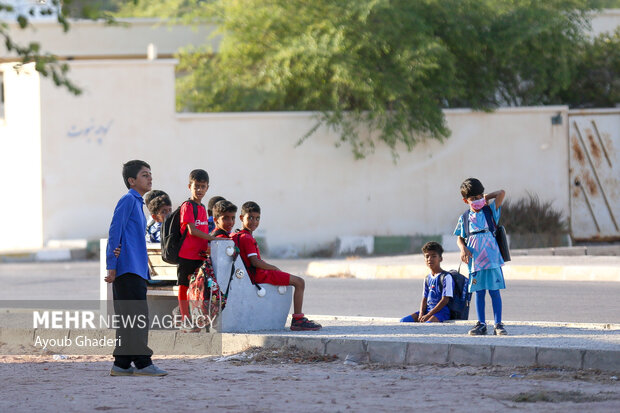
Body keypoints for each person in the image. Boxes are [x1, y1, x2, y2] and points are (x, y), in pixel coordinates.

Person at [104, 160, 168, 376]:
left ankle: (121, 364)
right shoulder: (128, 200)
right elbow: (115, 232)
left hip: (136, 269)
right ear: (132, 181)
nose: (150, 178)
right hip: (127, 270)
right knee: (137, 317)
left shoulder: (138, 203)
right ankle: (142, 363)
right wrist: (111, 266)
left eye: (150, 174)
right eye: (144, 175)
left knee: (129, 318)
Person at [233, 201, 322, 331]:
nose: (254, 221)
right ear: (241, 218)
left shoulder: (237, 235)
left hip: (252, 274)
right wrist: (274, 268)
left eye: (257, 218)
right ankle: (298, 319)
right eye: (250, 218)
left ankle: (298, 319)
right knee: (299, 282)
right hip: (259, 275)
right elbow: (255, 262)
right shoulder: (246, 238)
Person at [454, 178, 507, 336]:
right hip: (475, 262)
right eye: (473, 199)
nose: (477, 201)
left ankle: (498, 324)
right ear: (465, 200)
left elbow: (501, 193)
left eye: (479, 197)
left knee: (494, 291)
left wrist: (485, 197)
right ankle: (481, 323)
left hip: (492, 260)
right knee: (479, 292)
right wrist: (463, 249)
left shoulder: (490, 210)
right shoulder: (464, 218)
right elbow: (459, 238)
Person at [177, 169, 218, 332]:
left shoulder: (201, 208)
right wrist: (213, 239)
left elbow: (203, 232)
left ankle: (198, 320)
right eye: (196, 186)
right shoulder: (188, 206)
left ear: (207, 188)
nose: (200, 190)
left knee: (199, 288)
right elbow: (192, 230)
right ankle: (185, 319)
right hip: (186, 255)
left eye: (203, 186)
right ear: (189, 186)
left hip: (200, 256)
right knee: (184, 286)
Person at [400, 242, 453, 323]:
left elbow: (445, 300)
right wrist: (421, 313)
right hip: (427, 311)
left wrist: (428, 315)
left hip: (441, 312)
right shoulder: (427, 278)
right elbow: (424, 298)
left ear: (440, 258)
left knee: (427, 324)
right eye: (427, 256)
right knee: (404, 321)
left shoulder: (446, 277)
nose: (429, 259)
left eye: (434, 256)